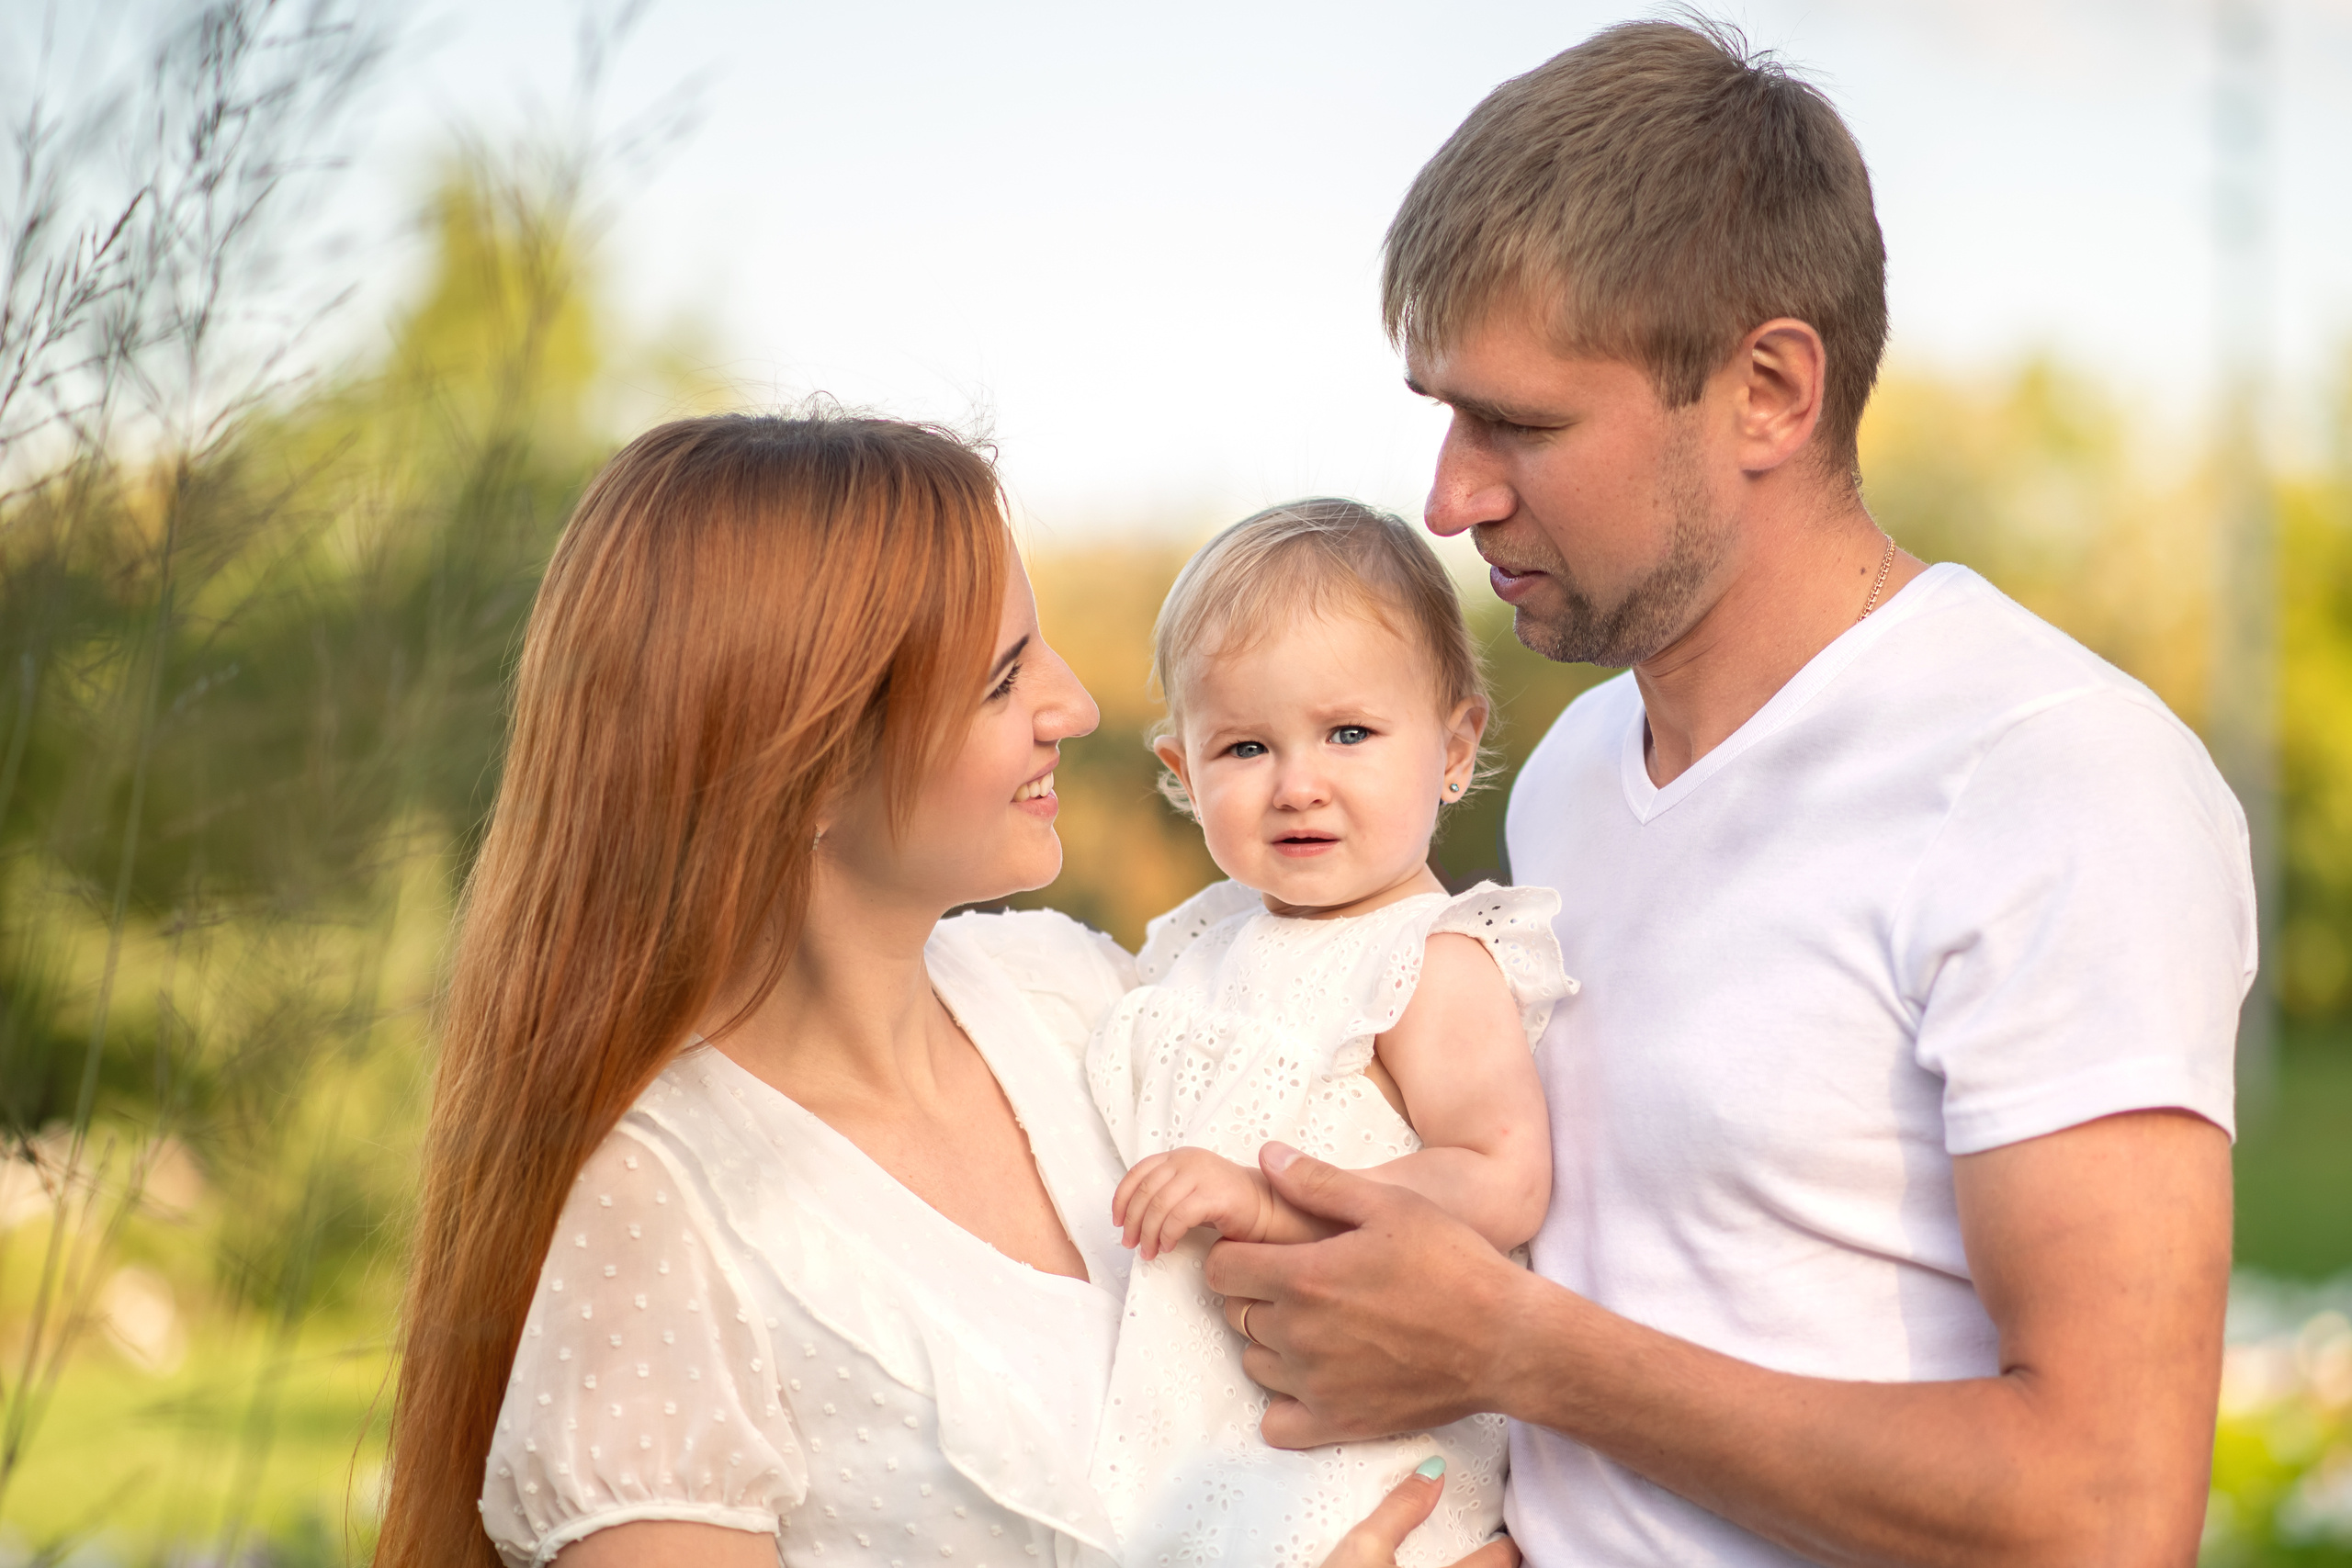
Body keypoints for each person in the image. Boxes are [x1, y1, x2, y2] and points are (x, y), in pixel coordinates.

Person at [1204, 19, 2251, 1567]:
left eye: (1523, 424)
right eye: (1444, 411)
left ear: (1768, 390)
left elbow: (2107, 1511)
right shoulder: (1562, 776)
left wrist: (1516, 1348)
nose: (1449, 495)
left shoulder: (2051, 774)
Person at [372, 412, 1516, 1568]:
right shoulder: (660, 1214)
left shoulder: (1084, 999)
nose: (1072, 706)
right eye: (1000, 680)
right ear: (804, 767)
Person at [1084, 501, 1572, 1567]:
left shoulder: (1426, 959)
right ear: (1181, 769)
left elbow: (1502, 1179)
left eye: (1348, 734)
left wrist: (1269, 1201)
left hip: (1360, 1442)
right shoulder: (1197, 946)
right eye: (1245, 746)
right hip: (1195, 1412)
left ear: (1452, 747)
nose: (1298, 783)